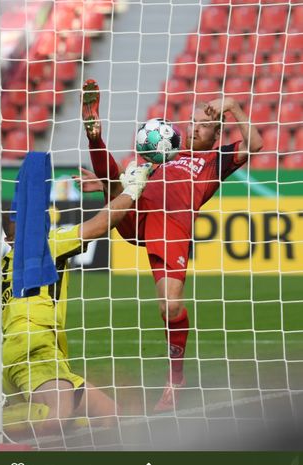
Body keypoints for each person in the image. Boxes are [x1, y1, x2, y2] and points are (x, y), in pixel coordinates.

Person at [78, 79, 263, 412]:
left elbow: (256, 144)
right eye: (192, 122)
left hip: (171, 224)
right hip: (137, 208)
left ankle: (175, 378)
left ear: (216, 135)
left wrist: (233, 106)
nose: (194, 128)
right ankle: (95, 136)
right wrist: (108, 185)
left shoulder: (213, 160)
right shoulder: (163, 153)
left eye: (204, 124)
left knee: (170, 306)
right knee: (114, 180)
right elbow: (133, 179)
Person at [0, 161, 153, 440]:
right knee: (57, 416)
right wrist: (132, 188)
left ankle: (19, 412)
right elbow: (100, 225)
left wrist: (110, 188)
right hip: (32, 349)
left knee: (110, 415)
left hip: (40, 351)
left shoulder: (5, 261)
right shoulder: (44, 247)